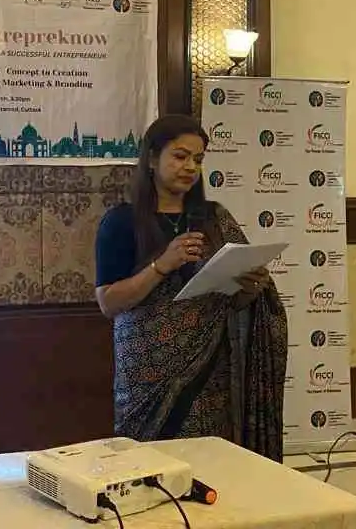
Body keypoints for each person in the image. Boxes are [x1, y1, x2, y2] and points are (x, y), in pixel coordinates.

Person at [94, 114, 288, 461]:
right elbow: (109, 303)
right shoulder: (121, 222)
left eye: (198, 159)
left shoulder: (214, 218)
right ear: (152, 158)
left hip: (209, 371)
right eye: (180, 156)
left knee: (208, 460)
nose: (190, 167)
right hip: (146, 373)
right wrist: (162, 265)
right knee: (147, 464)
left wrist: (250, 287)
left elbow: (229, 302)